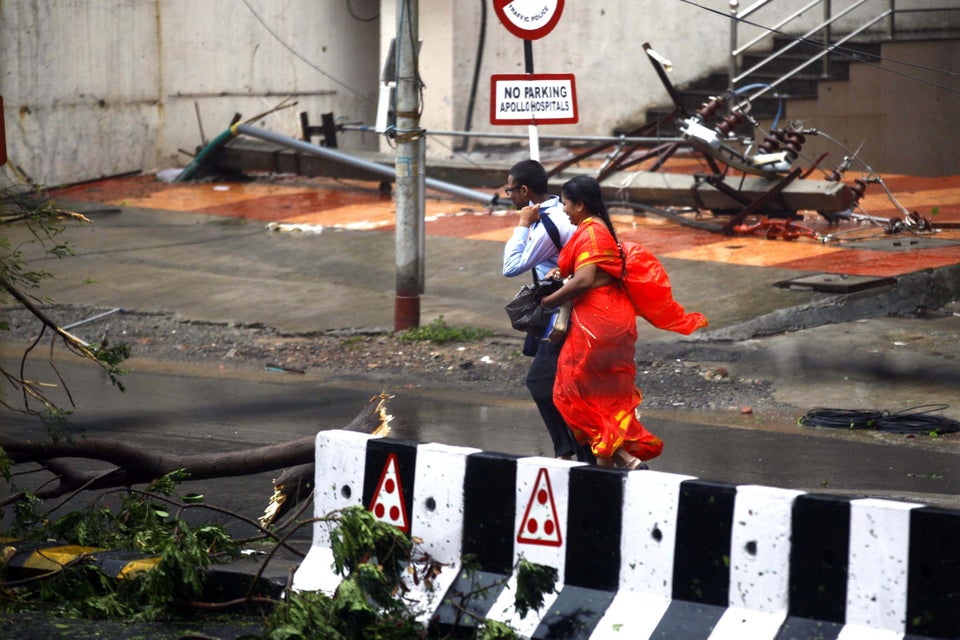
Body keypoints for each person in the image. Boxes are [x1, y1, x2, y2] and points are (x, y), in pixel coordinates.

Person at [539, 175, 663, 469]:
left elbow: (584, 281)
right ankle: (605, 480)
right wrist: (560, 274)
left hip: (597, 322)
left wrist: (550, 300)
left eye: (566, 204)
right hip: (615, 319)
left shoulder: (592, 232)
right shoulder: (599, 228)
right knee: (603, 399)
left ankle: (626, 458)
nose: (564, 210)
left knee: (567, 392)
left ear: (580, 205)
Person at [502, 160, 593, 463]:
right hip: (569, 306)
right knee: (560, 383)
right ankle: (577, 451)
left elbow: (511, 267)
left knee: (542, 382)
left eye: (511, 190)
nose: (509, 195)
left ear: (524, 190)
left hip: (562, 312)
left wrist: (522, 225)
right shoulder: (559, 213)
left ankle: (575, 451)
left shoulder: (548, 224)